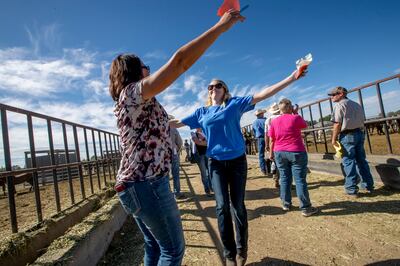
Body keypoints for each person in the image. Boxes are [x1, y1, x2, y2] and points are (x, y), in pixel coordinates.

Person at [110, 10, 245, 266]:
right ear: (133, 72)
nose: (148, 69)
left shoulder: (132, 99)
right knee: (172, 251)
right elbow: (180, 62)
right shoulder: (132, 93)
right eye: (143, 66)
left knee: (154, 248)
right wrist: (219, 27)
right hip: (147, 183)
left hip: (136, 184)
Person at [171, 68, 307, 266]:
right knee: (221, 207)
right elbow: (176, 123)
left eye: (217, 85)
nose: (213, 89)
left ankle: (242, 249)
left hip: (237, 161)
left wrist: (292, 77)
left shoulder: (235, 104)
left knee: (238, 206)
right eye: (210, 87)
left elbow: (263, 93)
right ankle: (229, 253)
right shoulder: (201, 112)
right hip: (215, 162)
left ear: (224, 90)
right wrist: (149, 116)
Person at [268, 98, 318, 217]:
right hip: (296, 151)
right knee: (300, 180)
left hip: (279, 151)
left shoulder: (273, 122)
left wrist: (271, 153)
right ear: (290, 107)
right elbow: (304, 126)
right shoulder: (295, 117)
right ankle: (305, 207)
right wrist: (295, 112)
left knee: (284, 178)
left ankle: (286, 203)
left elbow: (272, 139)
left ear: (279, 110)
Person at [329, 86, 374, 196]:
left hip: (347, 135)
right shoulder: (356, 104)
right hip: (359, 133)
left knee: (348, 162)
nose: (331, 97)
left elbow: (337, 124)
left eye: (333, 94)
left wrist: (333, 139)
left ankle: (351, 189)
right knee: (361, 160)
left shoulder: (339, 105)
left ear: (341, 94)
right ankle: (368, 185)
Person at [191, 128, 212, 196]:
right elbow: (197, 142)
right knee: (204, 173)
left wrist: (203, 142)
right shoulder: (193, 133)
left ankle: (212, 187)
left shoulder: (206, 131)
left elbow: (209, 141)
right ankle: (207, 190)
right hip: (199, 155)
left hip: (207, 153)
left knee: (210, 171)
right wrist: (205, 142)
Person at [264, 102, 281, 187]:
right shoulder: (283, 117)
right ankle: (286, 181)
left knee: (274, 162)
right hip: (282, 142)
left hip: (273, 142)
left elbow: (266, 134)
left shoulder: (268, 120)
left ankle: (276, 178)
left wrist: (266, 145)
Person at [169, 115, 185, 199]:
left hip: (163, 155)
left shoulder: (159, 128)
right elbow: (180, 141)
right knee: (175, 173)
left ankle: (167, 194)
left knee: (165, 176)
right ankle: (177, 192)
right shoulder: (173, 129)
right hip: (173, 153)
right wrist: (177, 150)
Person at [252, 109, 267, 175]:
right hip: (268, 137)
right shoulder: (266, 120)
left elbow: (254, 132)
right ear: (262, 114)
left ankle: (263, 169)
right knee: (272, 152)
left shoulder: (254, 122)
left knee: (261, 155)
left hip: (260, 138)